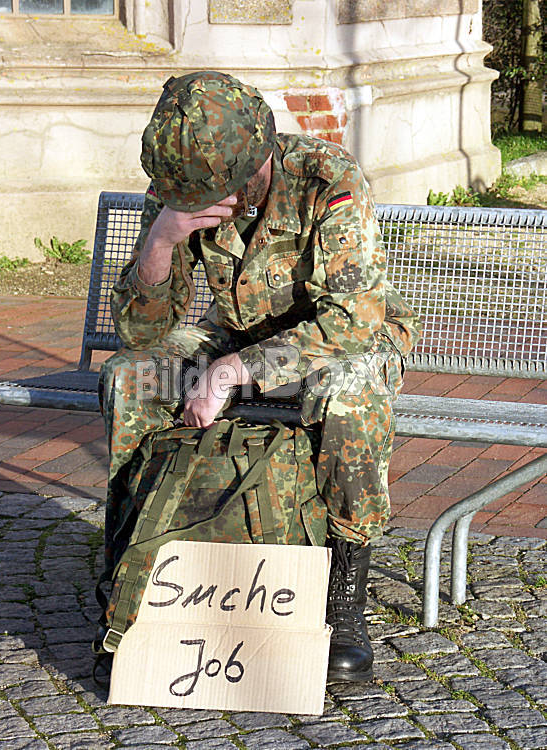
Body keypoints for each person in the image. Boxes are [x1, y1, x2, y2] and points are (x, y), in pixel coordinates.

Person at [99, 70, 421, 683]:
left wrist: (233, 370)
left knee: (349, 396)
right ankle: (128, 564)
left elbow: (353, 320)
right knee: (129, 379)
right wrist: (162, 239)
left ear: (258, 159)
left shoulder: (328, 179)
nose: (208, 200)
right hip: (238, 332)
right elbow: (142, 333)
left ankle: (345, 588)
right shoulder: (180, 185)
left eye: (220, 188)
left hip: (338, 339)